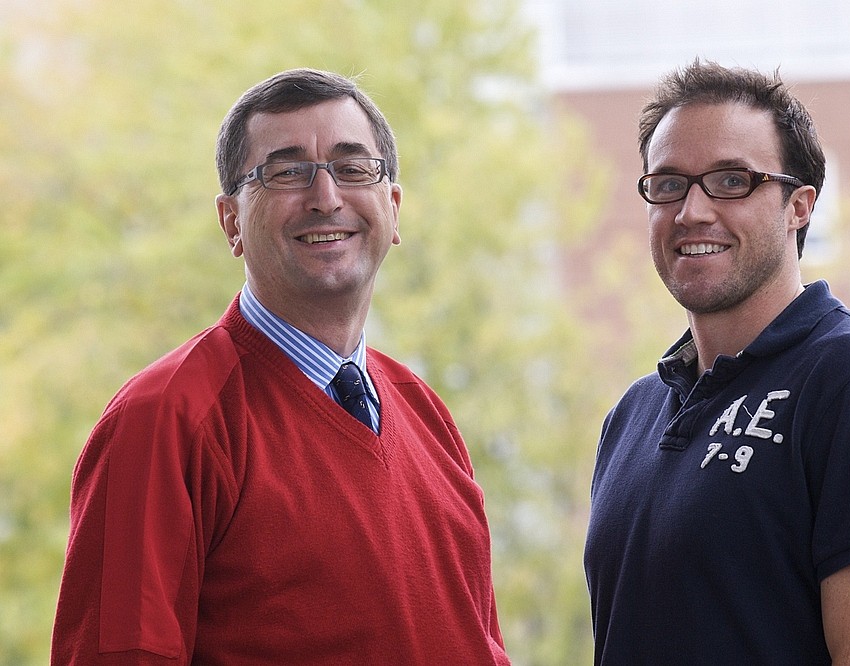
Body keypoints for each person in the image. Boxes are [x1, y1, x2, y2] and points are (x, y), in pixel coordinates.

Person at [52, 68, 510, 665]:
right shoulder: (165, 418)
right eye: (287, 173)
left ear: (393, 208)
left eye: (353, 168)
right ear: (231, 222)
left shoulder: (427, 415)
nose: (326, 198)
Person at [584, 60, 850, 665]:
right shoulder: (632, 415)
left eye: (731, 180)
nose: (692, 210)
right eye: (669, 183)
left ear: (799, 206)